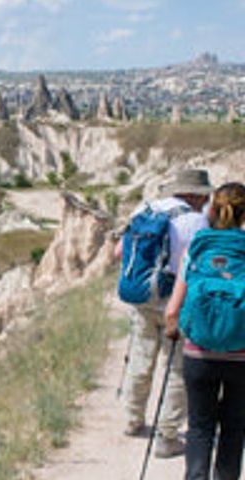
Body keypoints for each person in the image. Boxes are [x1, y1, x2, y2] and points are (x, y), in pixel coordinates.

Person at [116, 169, 212, 458]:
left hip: (143, 298)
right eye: (203, 196)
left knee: (141, 357)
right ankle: (167, 436)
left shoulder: (146, 209)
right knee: (177, 368)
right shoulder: (196, 221)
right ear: (195, 195)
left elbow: (120, 251)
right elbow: (197, 264)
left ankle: (133, 420)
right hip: (175, 302)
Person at [165, 182, 245, 480]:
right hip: (242, 356)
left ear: (212, 209)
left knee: (199, 427)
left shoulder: (197, 247)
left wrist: (174, 331)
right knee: (234, 429)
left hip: (199, 354)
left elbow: (173, 309)